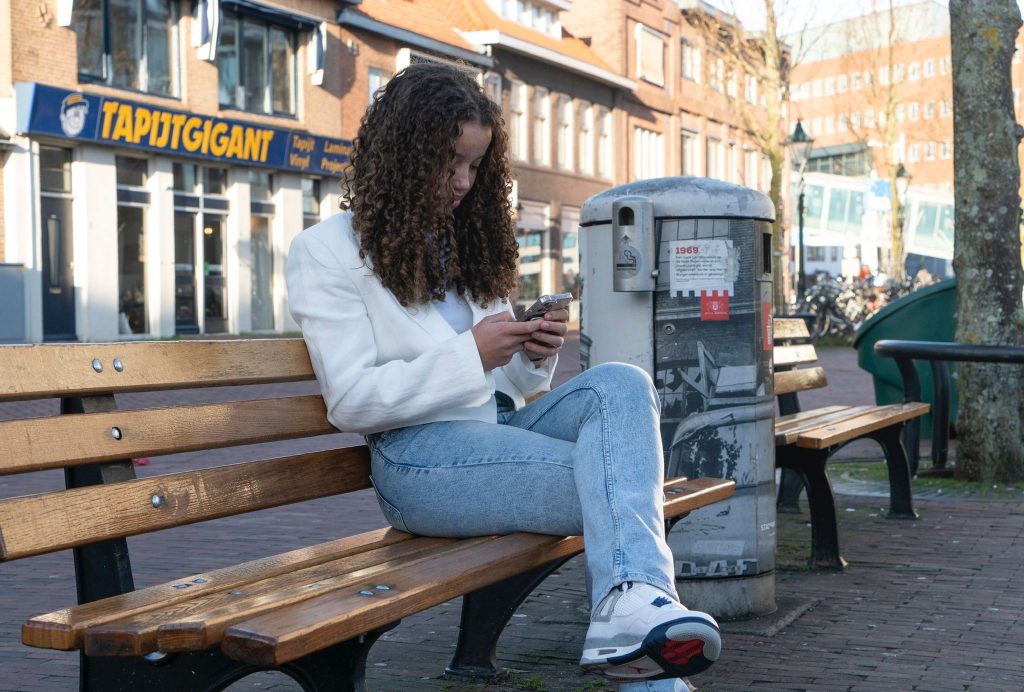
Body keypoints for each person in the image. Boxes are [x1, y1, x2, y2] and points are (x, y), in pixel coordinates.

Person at [286, 61, 721, 689]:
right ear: (404, 156)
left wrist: (531, 355)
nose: (463, 182)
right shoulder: (326, 251)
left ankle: (633, 623)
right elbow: (351, 401)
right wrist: (474, 354)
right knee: (621, 491)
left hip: (499, 430)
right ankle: (643, 645)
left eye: (475, 166)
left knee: (623, 384)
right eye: (449, 163)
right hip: (418, 462)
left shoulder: (468, 246)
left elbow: (511, 391)